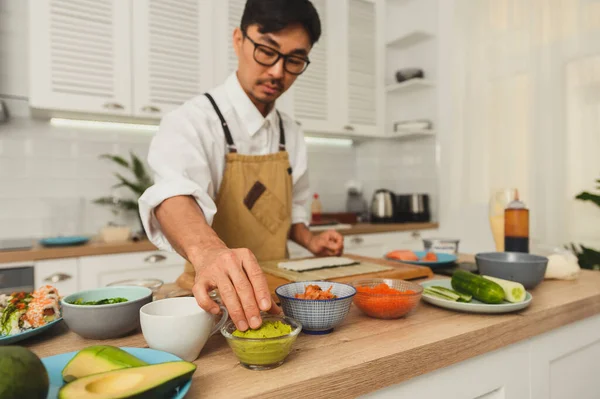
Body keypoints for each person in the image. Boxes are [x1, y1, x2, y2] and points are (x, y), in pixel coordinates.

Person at [139, 0, 344, 333]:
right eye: (267, 50)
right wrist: (208, 252)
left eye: (294, 60)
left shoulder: (290, 133)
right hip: (208, 302)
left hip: (280, 298)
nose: (278, 72)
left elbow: (290, 213)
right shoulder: (191, 121)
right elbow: (171, 195)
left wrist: (310, 239)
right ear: (238, 40)